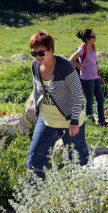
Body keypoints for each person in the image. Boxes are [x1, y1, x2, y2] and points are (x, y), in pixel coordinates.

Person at [26, 31, 88, 180]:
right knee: (34, 160)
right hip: (47, 119)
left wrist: (74, 122)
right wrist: (36, 112)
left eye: (41, 53)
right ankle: (33, 197)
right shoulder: (35, 66)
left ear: (51, 50)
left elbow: (78, 94)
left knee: (78, 160)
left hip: (70, 121)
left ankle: (83, 193)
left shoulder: (65, 66)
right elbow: (36, 89)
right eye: (33, 53)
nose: (37, 57)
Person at [70, 29, 108, 127]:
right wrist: (80, 66)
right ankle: (90, 121)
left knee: (100, 98)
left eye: (94, 35)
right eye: (93, 36)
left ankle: (101, 121)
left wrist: (99, 76)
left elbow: (95, 63)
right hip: (86, 78)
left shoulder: (93, 46)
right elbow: (71, 60)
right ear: (87, 39)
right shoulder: (82, 48)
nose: (95, 37)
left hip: (95, 77)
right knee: (89, 99)